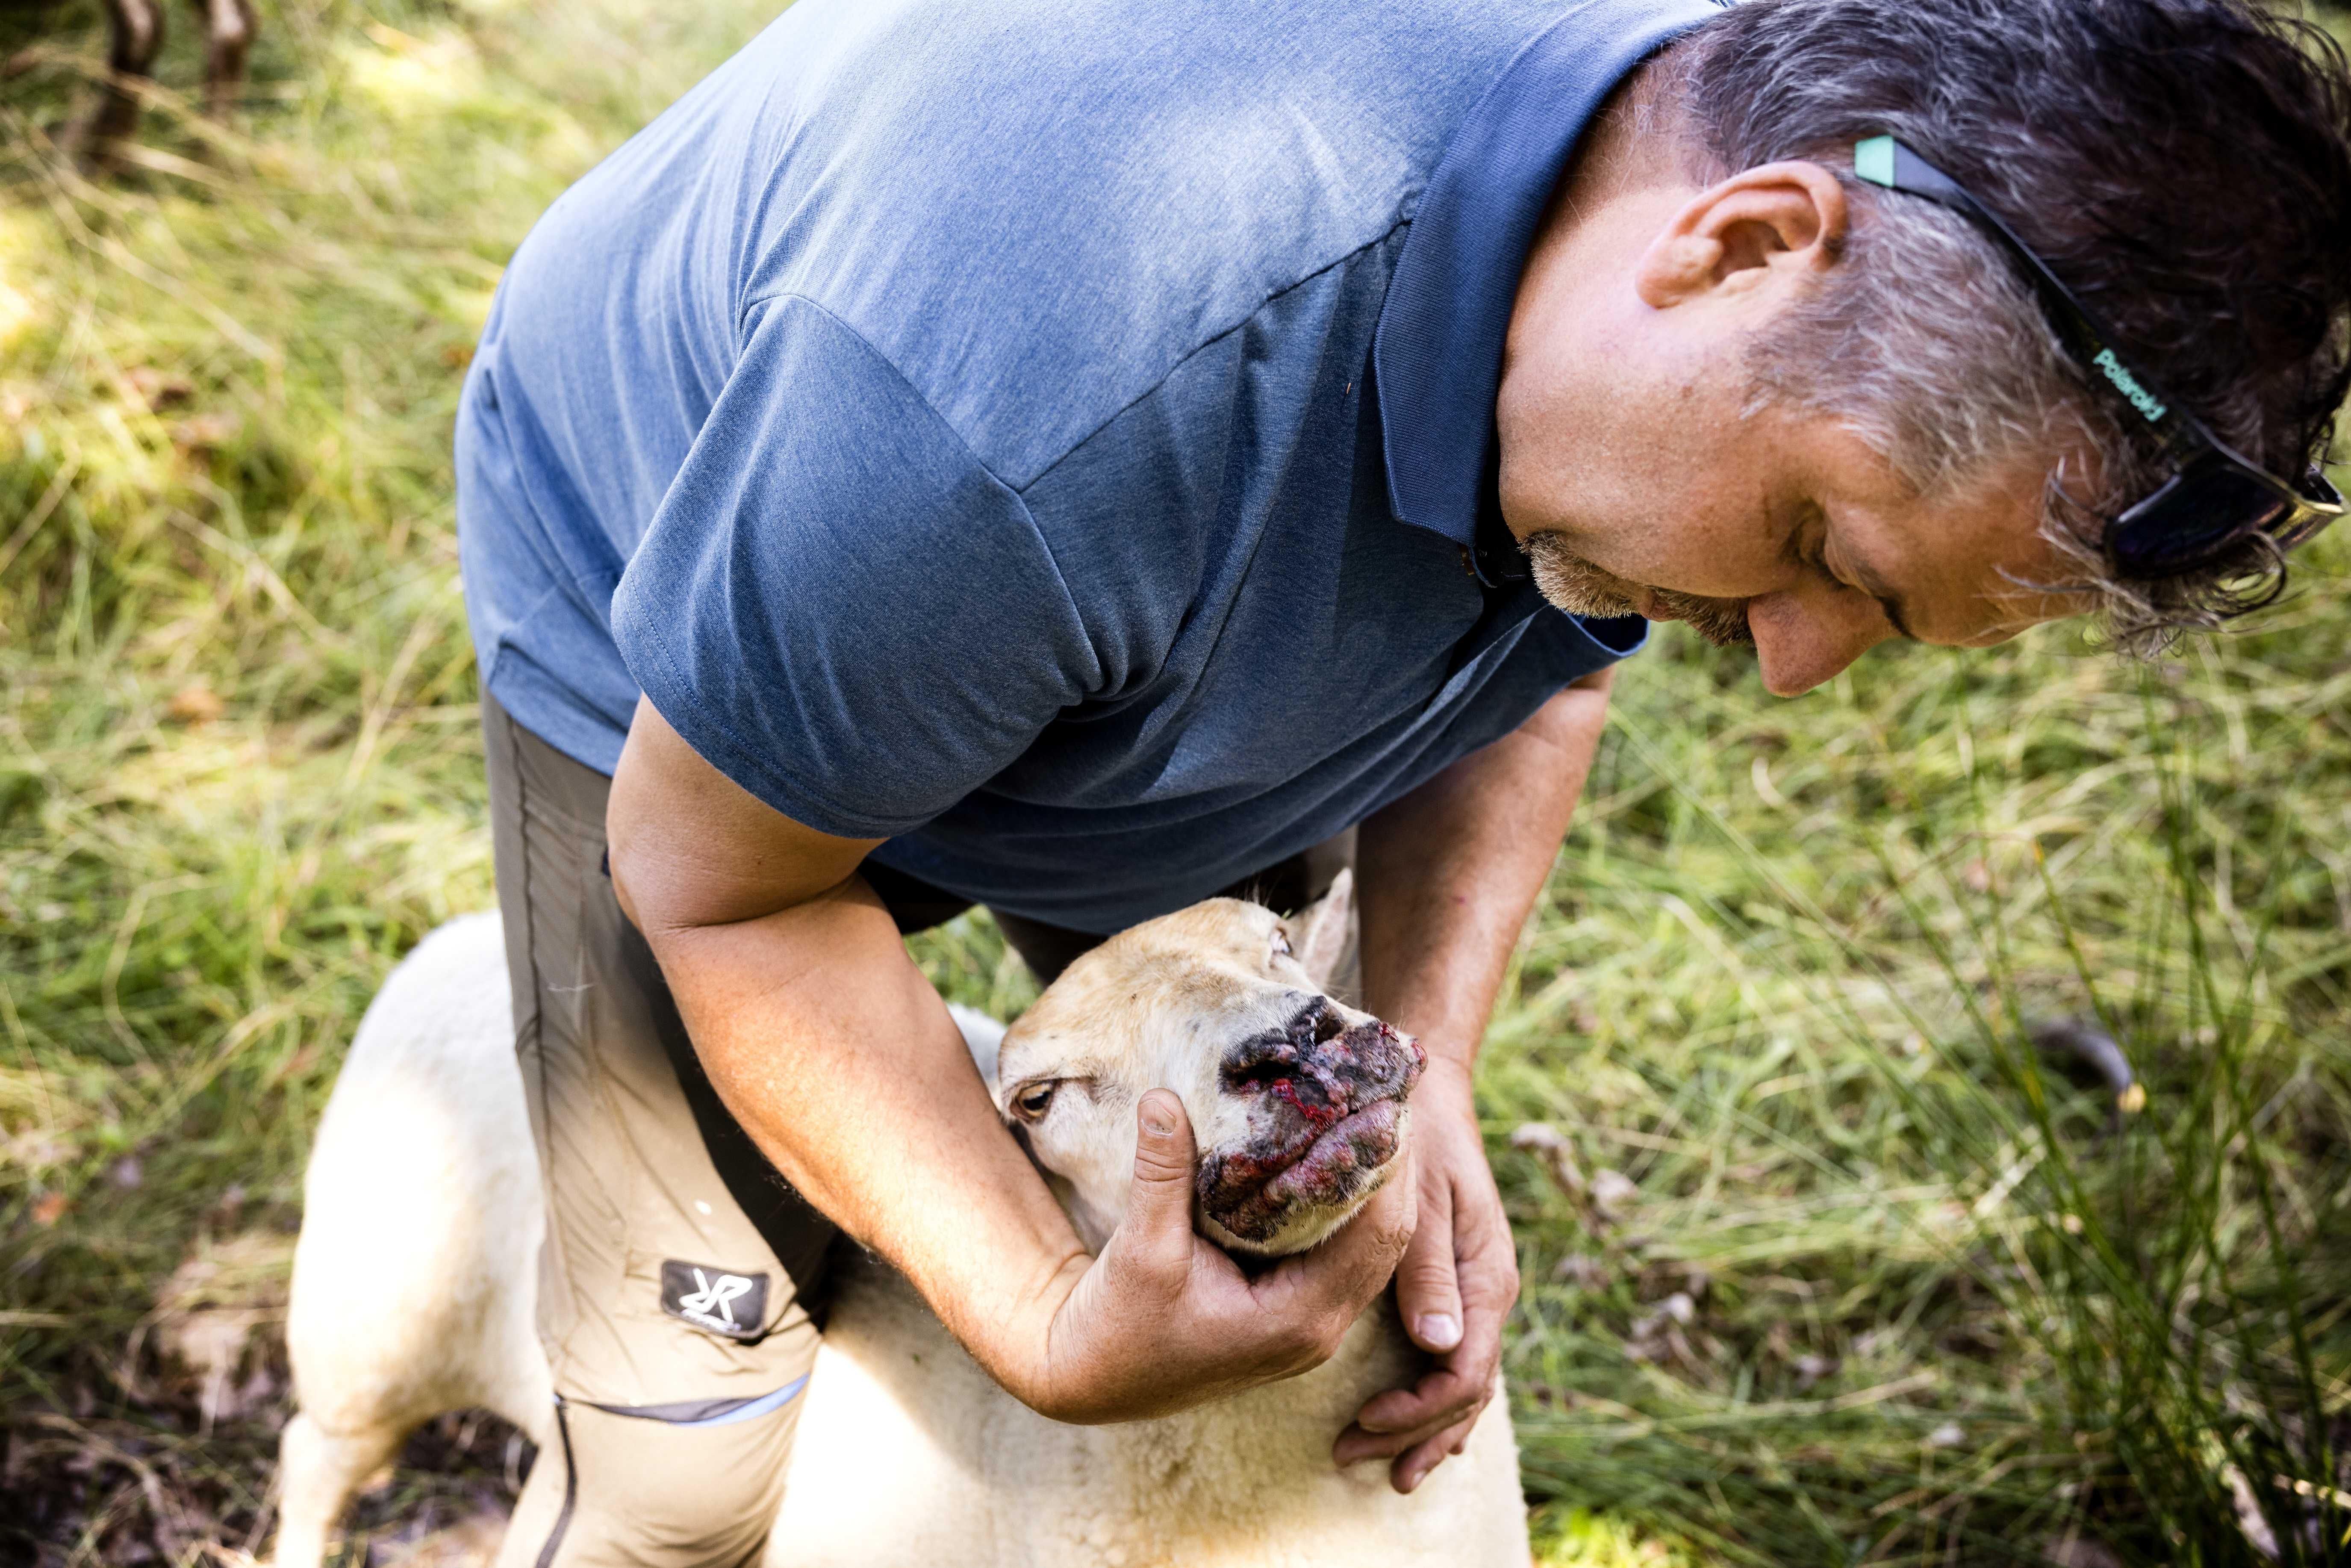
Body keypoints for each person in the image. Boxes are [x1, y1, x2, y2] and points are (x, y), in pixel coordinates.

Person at [453, 0, 2351, 1561]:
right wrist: (1037, 1316)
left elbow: (1534, 673)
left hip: (1088, 559)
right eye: (1815, 550)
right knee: (684, 1469)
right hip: (692, 634)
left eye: (1882, 619)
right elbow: (731, 888)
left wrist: (1419, 1051)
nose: (1784, 660)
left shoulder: (1628, 321)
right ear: (1744, 247)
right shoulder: (1027, 401)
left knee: (1282, 1270)